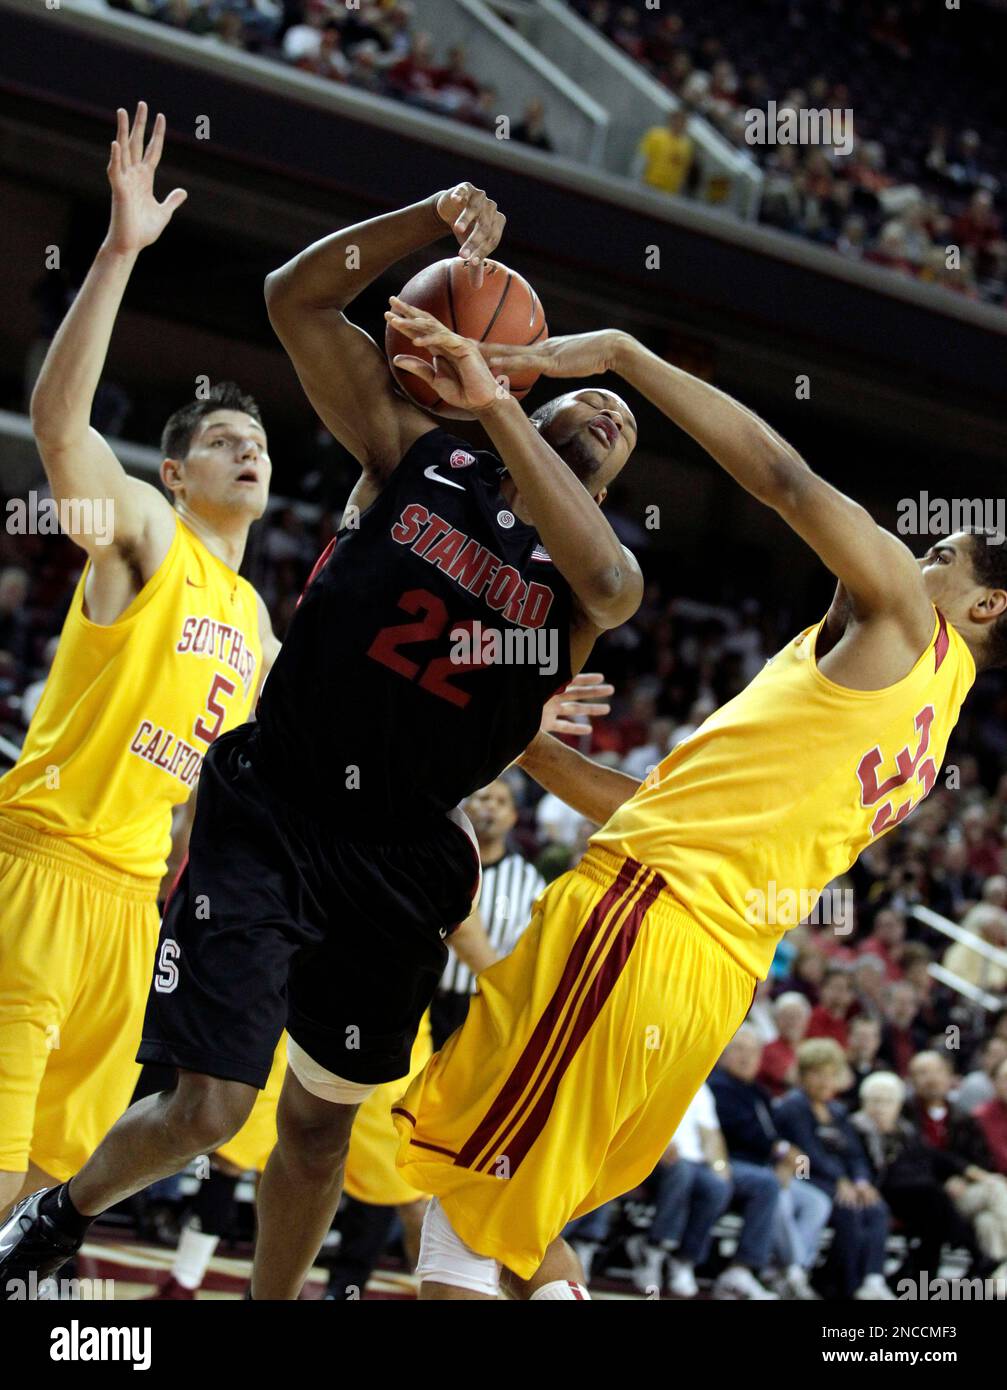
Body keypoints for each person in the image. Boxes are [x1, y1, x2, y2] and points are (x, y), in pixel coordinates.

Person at [0, 182, 643, 1301]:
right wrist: (424, 222)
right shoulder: (415, 453)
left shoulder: (586, 580)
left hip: (397, 854)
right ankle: (57, 1220)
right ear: (533, 400)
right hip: (278, 803)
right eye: (591, 404)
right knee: (209, 1102)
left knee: (316, 1136)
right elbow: (293, 299)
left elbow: (608, 579)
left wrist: (497, 403)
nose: (611, 417)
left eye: (624, 430)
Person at [390, 320, 1004, 1299]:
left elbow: (785, 483)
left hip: (637, 924)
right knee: (513, 1224)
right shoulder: (922, 736)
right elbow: (652, 802)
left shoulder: (903, 621)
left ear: (982, 608)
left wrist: (624, 356)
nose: (906, 557)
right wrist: (518, 736)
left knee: (466, 1208)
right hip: (699, 977)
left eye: (937, 553)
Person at [0, 105, 277, 1219]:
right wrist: (118, 252)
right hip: (41, 868)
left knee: (50, 1187)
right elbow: (61, 428)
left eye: (255, 440)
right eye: (220, 439)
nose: (246, 446)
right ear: (171, 474)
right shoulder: (146, 537)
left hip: (133, 910)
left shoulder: (260, 622)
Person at [431, 779, 547, 1051]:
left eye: (501, 802)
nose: (491, 807)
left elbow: (527, 952)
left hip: (481, 1004)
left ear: (514, 817)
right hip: (428, 997)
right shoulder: (439, 862)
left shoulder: (528, 880)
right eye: (483, 799)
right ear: (466, 808)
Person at [775, 1040, 894, 1300]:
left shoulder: (838, 1111)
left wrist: (861, 1181)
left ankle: (873, 1279)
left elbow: (855, 1154)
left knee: (876, 1208)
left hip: (842, 1181)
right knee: (849, 1212)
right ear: (803, 1075)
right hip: (809, 1178)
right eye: (817, 1074)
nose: (824, 1082)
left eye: (830, 1075)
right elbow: (809, 1153)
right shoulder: (792, 1107)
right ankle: (844, 1286)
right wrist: (840, 1181)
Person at [851, 1070, 991, 1285]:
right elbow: (859, 1164)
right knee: (934, 1197)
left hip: (915, 1192)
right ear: (864, 1102)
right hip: (881, 1188)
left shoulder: (905, 1129)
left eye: (887, 1101)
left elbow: (934, 1155)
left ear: (898, 1105)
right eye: (875, 1101)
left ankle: (922, 1276)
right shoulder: (856, 1128)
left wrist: (966, 1171)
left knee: (933, 1213)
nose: (880, 1107)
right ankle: (971, 1252)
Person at [758, 992, 811, 1098]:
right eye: (786, 1017)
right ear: (776, 1021)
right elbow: (792, 1079)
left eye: (797, 1016)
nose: (792, 1022)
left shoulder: (811, 1045)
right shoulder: (768, 1050)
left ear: (807, 1020)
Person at [634, 107, 694, 196]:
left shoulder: (686, 145)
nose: (680, 124)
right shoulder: (656, 135)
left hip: (669, 192)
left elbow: (683, 171)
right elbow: (642, 159)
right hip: (649, 185)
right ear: (671, 121)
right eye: (678, 121)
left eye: (683, 122)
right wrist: (637, 181)